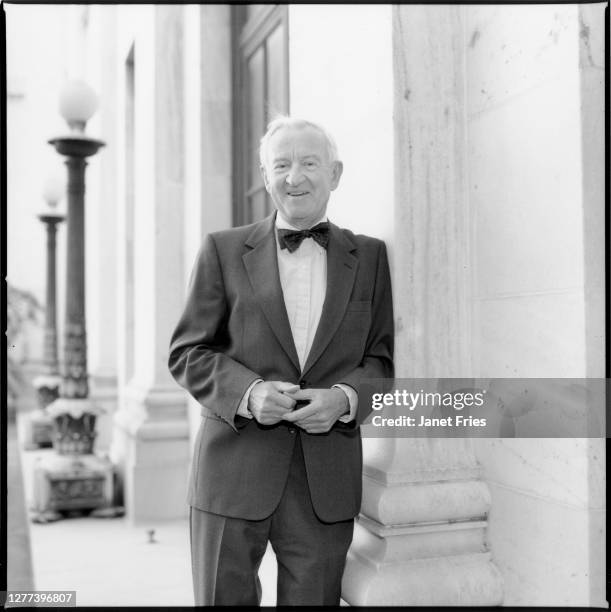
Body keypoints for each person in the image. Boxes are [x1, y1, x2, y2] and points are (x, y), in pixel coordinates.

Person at [168, 116, 394, 606]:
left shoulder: (372, 258)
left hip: (324, 482)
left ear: (335, 173)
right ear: (264, 176)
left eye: (309, 163)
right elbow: (187, 352)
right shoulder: (221, 250)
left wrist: (345, 398)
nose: (296, 177)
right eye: (282, 165)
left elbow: (380, 360)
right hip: (231, 471)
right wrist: (248, 394)